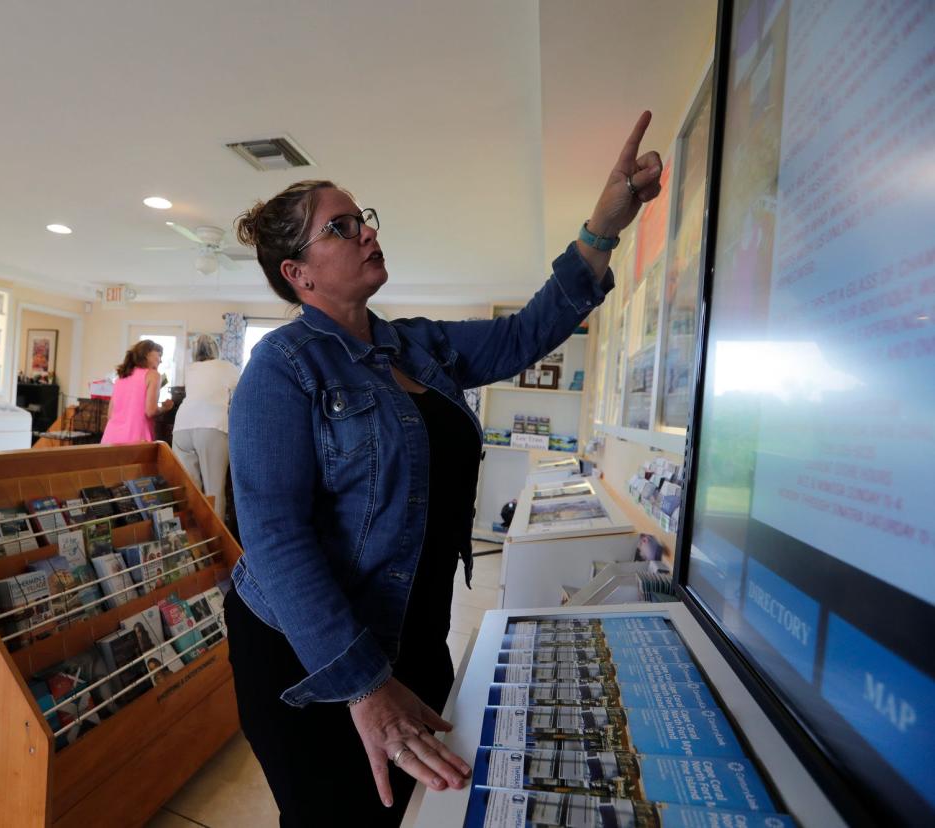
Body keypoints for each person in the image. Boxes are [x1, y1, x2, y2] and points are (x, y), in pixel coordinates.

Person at [225, 112, 663, 826]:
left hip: (413, 632)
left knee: (412, 810)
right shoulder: (283, 366)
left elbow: (526, 333)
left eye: (360, 218)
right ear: (297, 274)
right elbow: (274, 539)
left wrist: (603, 228)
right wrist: (364, 686)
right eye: (340, 227)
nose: (367, 230)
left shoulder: (417, 346)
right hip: (310, 656)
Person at [172, 334, 239, 519]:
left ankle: (194, 538)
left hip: (181, 427)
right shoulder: (226, 366)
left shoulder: (190, 368)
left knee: (189, 489)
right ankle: (215, 543)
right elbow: (243, 391)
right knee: (214, 490)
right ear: (216, 349)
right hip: (211, 425)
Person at [100, 339, 172, 445]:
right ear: (147, 354)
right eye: (159, 355)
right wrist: (164, 408)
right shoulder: (153, 375)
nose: (160, 360)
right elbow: (150, 411)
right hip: (136, 440)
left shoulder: (121, 377)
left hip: (110, 438)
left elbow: (110, 414)